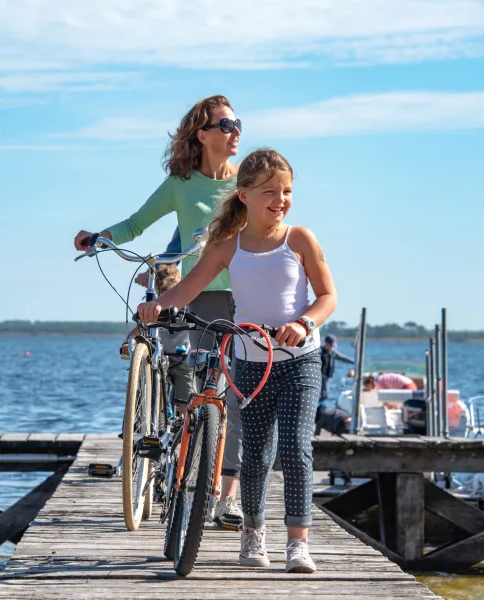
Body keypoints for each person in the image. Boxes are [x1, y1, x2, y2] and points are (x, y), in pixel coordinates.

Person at [137, 148, 338, 573]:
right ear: (243, 194)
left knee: (295, 447)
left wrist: (303, 323)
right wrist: (158, 305)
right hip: (249, 361)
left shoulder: (300, 239)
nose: (280, 200)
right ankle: (253, 533)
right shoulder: (228, 245)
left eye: (287, 191)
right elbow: (189, 287)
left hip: (300, 360)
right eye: (270, 192)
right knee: (256, 453)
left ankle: (298, 544)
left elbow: (327, 296)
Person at [74, 95, 244, 529]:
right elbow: (136, 224)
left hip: (247, 295)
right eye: (226, 125)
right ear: (202, 135)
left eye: (237, 123)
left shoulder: (247, 179)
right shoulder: (180, 185)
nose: (235, 132)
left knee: (236, 397)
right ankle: (183, 470)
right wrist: (100, 237)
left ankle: (227, 498)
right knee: (202, 393)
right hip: (201, 294)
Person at [121, 264, 195, 406]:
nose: (168, 308)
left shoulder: (187, 310)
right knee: (146, 393)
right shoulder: (154, 313)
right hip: (158, 358)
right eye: (164, 301)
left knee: (187, 402)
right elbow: (136, 331)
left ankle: (187, 417)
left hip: (183, 359)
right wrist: (129, 342)